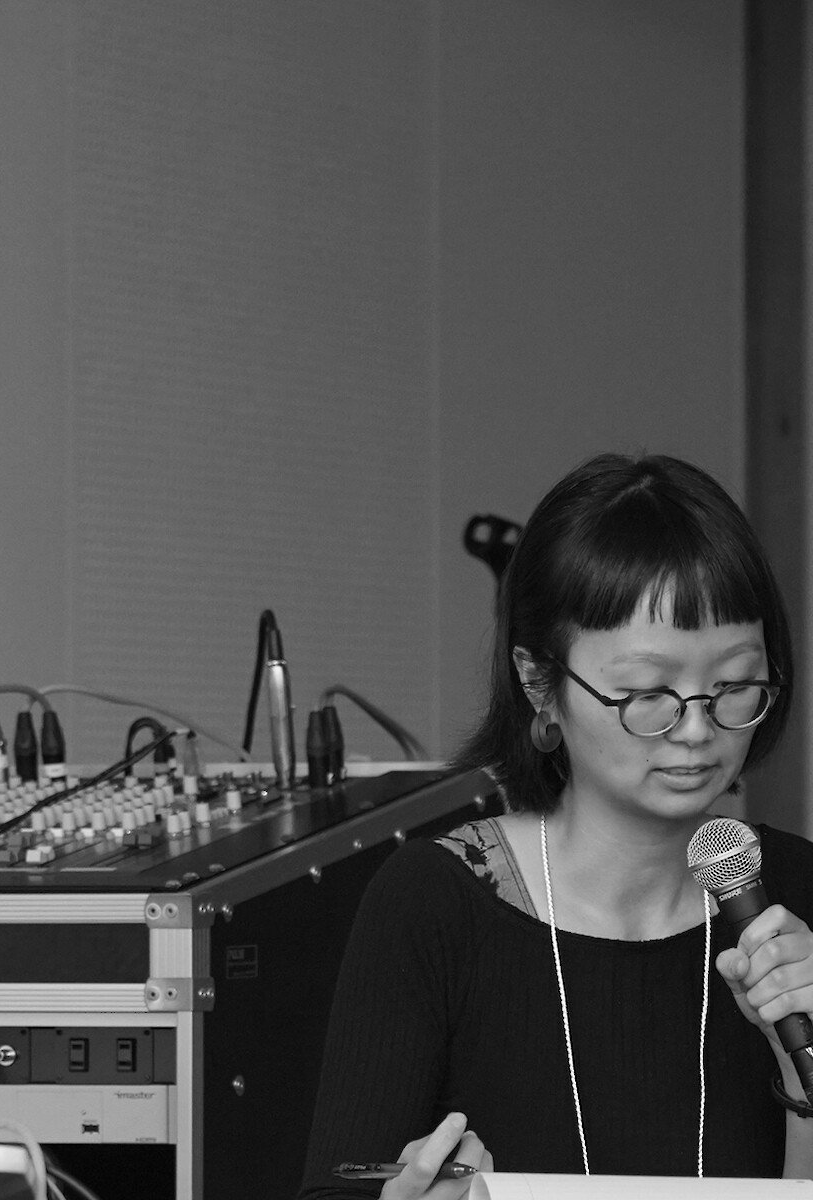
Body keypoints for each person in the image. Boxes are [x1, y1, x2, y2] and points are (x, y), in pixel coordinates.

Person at [298, 452, 813, 1197]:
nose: (698, 729)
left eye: (734, 684)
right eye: (648, 691)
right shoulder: (434, 905)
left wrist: (801, 1077)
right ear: (539, 681)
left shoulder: (795, 896)